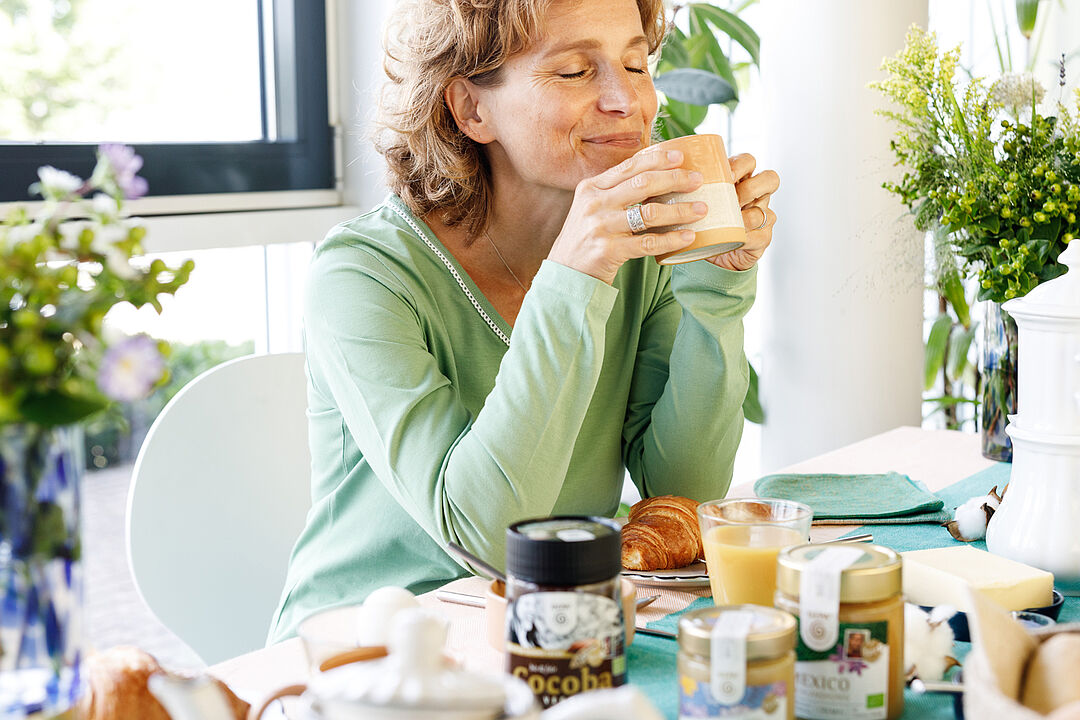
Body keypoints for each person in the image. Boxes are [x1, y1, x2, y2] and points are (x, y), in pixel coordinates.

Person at [268, 0, 780, 643]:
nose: (628, 100)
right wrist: (576, 275)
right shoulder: (360, 276)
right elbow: (487, 539)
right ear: (471, 109)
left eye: (635, 62)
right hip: (365, 653)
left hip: (547, 629)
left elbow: (681, 492)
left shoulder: (635, 253)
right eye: (573, 72)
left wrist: (716, 288)